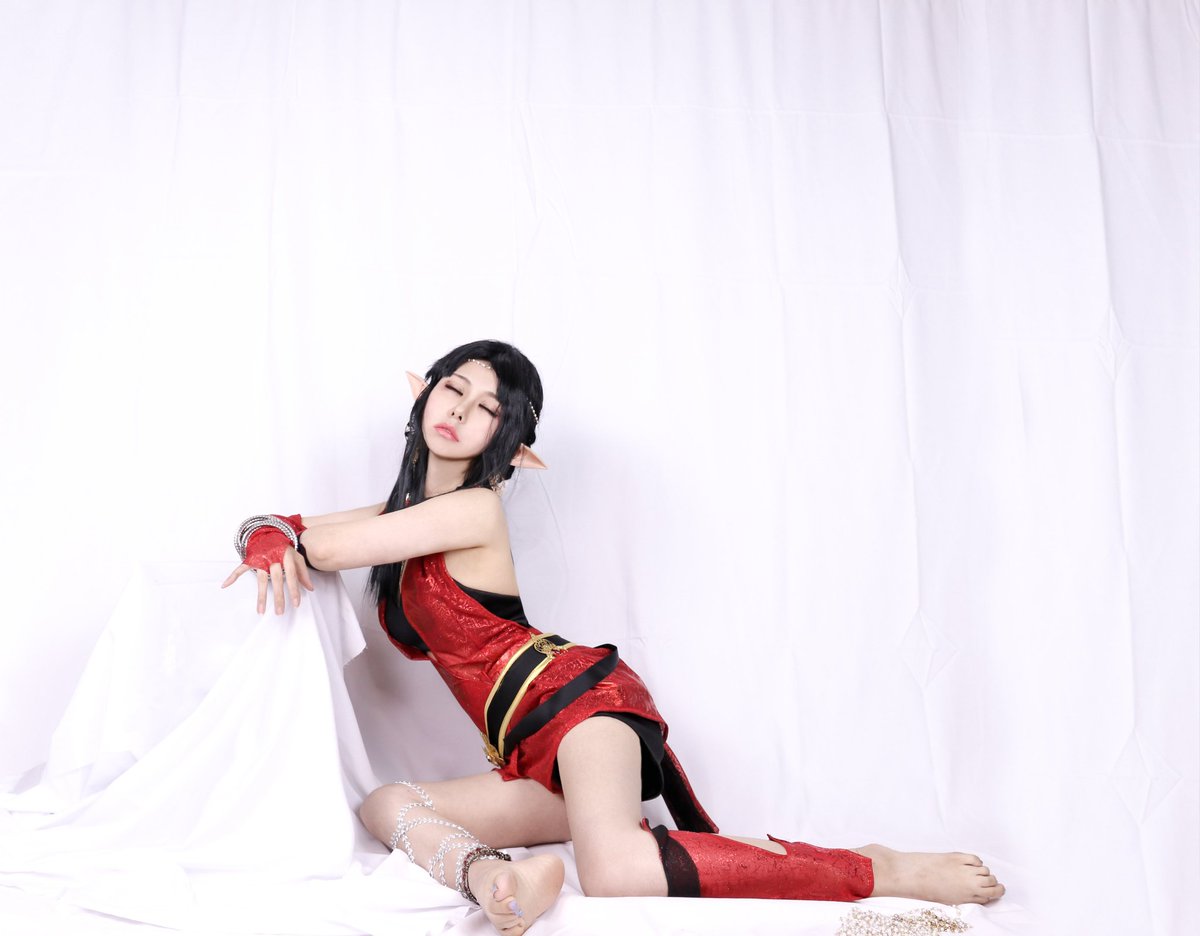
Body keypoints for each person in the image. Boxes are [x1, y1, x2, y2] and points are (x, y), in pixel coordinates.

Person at [223, 339, 1005, 934]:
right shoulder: (401, 515)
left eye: (487, 407)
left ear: (508, 444)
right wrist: (263, 535)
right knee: (384, 804)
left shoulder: (473, 509)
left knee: (615, 871)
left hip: (579, 708)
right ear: (424, 391)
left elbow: (319, 544)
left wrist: (282, 539)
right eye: (453, 386)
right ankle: (499, 879)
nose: (459, 408)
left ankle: (871, 868)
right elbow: (292, 527)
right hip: (525, 749)